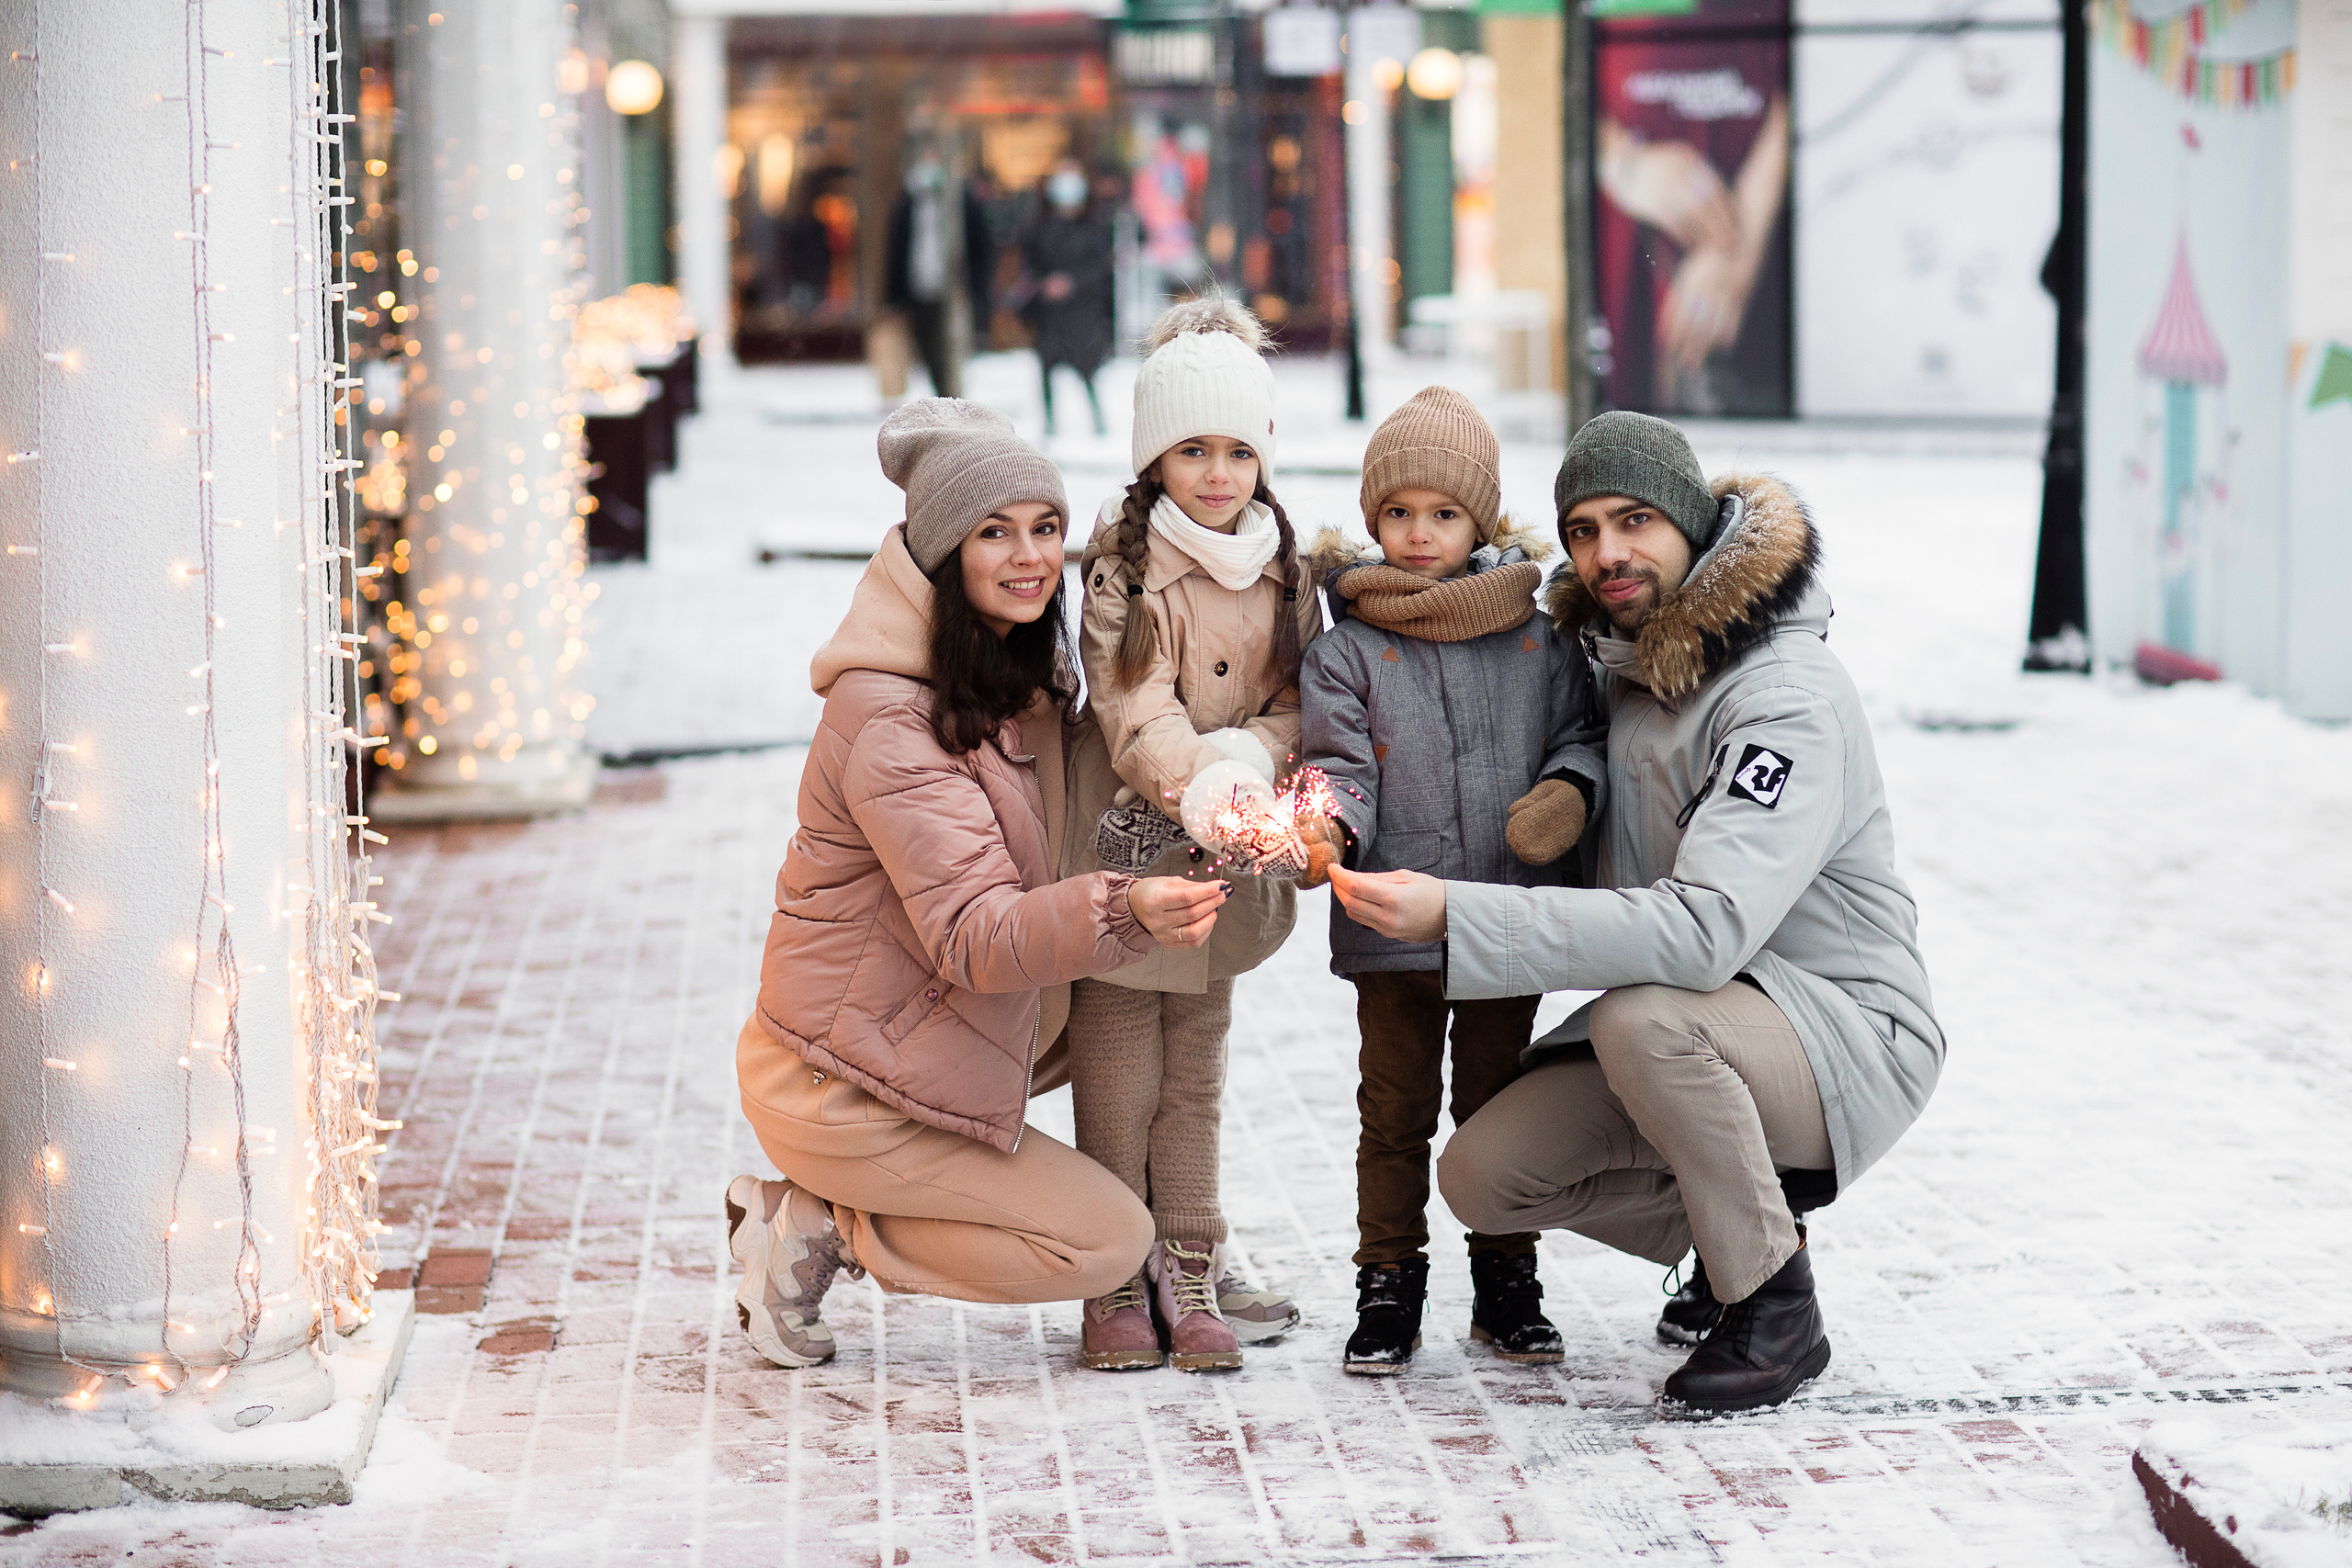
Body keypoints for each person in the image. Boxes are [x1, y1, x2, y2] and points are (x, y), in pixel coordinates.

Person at [1329, 411, 1943, 1416]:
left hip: (1842, 1031)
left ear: (1693, 526)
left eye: (1635, 520)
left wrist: (1455, 916)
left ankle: (1774, 1307)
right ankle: (1738, 1216)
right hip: (1704, 1028)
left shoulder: (1783, 697)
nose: (1605, 551)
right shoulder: (1624, 676)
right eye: (1581, 529)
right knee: (1485, 1175)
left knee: (1638, 1019)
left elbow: (1703, 931)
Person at [726, 399, 1231, 1369]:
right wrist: (1125, 909)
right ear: (939, 554)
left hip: (921, 1042)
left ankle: (1199, 1254)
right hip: (845, 1085)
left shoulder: (1014, 675)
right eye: (992, 533)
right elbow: (973, 935)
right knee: (1099, 1243)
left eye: (1044, 528)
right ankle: (818, 1221)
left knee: (1148, 1040)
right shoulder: (889, 717)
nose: (1029, 556)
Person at [1296, 388, 1610, 1376]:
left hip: (1504, 923)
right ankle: (1388, 1281)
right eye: (1397, 513)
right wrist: (1325, 823)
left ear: (1480, 519)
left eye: (1442, 513)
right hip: (1391, 929)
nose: (1419, 533)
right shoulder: (1346, 649)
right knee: (1391, 1116)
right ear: (1370, 519)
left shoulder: (1536, 636)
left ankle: (1506, 1280)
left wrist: (1566, 787)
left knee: (1496, 1113)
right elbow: (1336, 762)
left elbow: (1581, 735)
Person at [1063, 295, 1322, 1372]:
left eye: (1235, 451)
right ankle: (1116, 1273)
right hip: (1131, 848)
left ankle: (1190, 1258)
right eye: (1190, 451)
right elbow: (1136, 713)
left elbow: (1300, 700)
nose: (1217, 474)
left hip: (1228, 862)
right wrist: (1205, 784)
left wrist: (1255, 763)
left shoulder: (1282, 571)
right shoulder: (1122, 568)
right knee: (1118, 1071)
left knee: (1195, 1075)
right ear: (1152, 459)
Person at [884, 144, 995, 400]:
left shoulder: (963, 201)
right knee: (928, 347)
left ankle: (950, 397)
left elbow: (981, 250)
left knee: (950, 347)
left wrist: (976, 289)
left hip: (954, 292)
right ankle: (946, 397)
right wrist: (894, 298)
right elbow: (895, 252)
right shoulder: (907, 202)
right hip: (919, 290)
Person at [1019, 159, 1114, 438]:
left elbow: (1101, 269)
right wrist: (1042, 284)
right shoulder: (1040, 226)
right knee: (1047, 368)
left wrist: (1072, 283)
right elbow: (1030, 264)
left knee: (1086, 369)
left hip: (1082, 312)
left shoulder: (1094, 226)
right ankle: (1049, 422)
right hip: (1050, 314)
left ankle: (1097, 421)